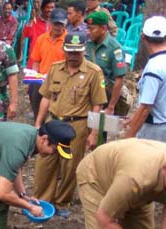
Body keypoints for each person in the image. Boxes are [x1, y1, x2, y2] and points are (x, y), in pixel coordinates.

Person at [33, 33, 107, 218]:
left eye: (77, 51)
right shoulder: (55, 69)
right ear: (64, 50)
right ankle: (42, 200)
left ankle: (62, 201)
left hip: (77, 126)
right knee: (45, 163)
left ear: (83, 50)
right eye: (70, 51)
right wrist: (38, 123)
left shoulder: (93, 72)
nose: (73, 55)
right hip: (54, 122)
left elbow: (98, 104)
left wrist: (93, 133)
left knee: (70, 166)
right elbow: (46, 97)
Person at [123, 16, 166, 143]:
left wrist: (128, 137)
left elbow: (146, 108)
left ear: (142, 36)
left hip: (153, 129)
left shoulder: (153, 68)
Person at [85, 11, 129, 116]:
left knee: (100, 129)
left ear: (103, 29)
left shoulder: (115, 48)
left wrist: (111, 106)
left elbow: (119, 78)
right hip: (87, 96)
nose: (88, 32)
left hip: (105, 96)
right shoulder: (88, 45)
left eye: (92, 28)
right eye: (87, 28)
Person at [28, 7, 68, 119]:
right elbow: (36, 60)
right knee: (34, 94)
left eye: (61, 24)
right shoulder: (42, 39)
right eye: (56, 23)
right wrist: (35, 75)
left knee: (56, 111)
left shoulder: (68, 40)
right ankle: (38, 123)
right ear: (50, 22)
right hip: (42, 78)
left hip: (60, 79)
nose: (58, 27)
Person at [21, 0, 55, 68]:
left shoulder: (56, 24)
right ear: (42, 9)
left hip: (51, 62)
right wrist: (31, 19)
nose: (50, 10)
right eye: (47, 7)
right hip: (35, 61)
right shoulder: (34, 22)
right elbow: (25, 33)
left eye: (52, 7)